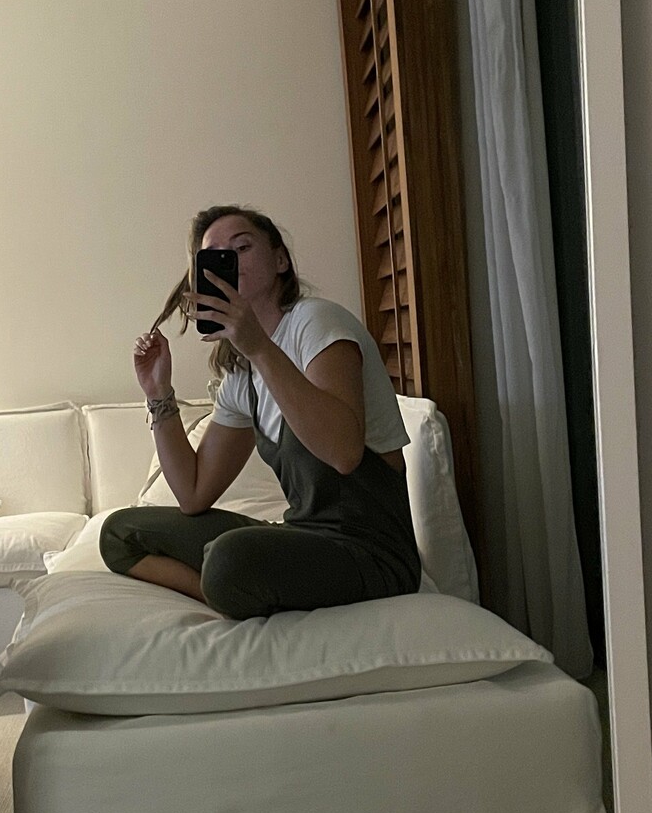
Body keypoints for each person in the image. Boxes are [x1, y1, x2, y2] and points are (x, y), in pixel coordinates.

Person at [98, 205, 423, 620]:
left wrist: (258, 347)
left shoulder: (316, 322)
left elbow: (343, 452)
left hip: (373, 553)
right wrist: (159, 393)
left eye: (242, 247)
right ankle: (225, 590)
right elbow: (193, 494)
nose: (230, 261)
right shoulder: (241, 376)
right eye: (215, 256)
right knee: (120, 534)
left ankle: (229, 584)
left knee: (228, 559)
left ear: (280, 260)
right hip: (305, 537)